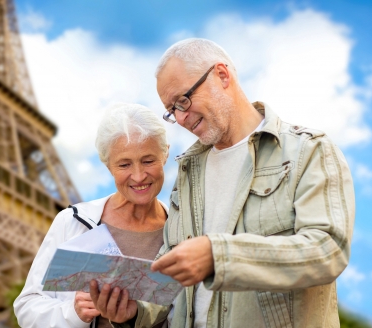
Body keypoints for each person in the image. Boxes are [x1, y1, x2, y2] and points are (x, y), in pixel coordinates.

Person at [91, 38, 355, 328]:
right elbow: (171, 276)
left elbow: (327, 251)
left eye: (183, 101)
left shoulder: (308, 151)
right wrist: (134, 312)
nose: (181, 118)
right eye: (171, 110)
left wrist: (220, 256)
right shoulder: (187, 172)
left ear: (222, 75)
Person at [13, 103, 170, 328]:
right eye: (124, 164)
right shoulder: (72, 222)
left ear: (165, 154)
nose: (138, 176)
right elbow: (27, 306)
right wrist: (74, 313)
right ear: (108, 167)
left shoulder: (182, 230)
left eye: (148, 161)